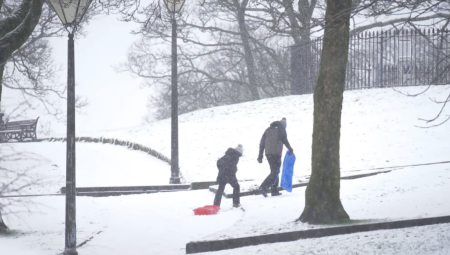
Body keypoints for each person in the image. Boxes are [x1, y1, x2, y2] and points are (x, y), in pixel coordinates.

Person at [257, 117, 293, 197]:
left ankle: (274, 190)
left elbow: (262, 143)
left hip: (268, 153)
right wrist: (290, 149)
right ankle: (264, 187)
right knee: (275, 172)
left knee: (275, 171)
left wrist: (260, 155)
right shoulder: (281, 129)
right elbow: (285, 140)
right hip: (276, 153)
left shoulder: (268, 129)